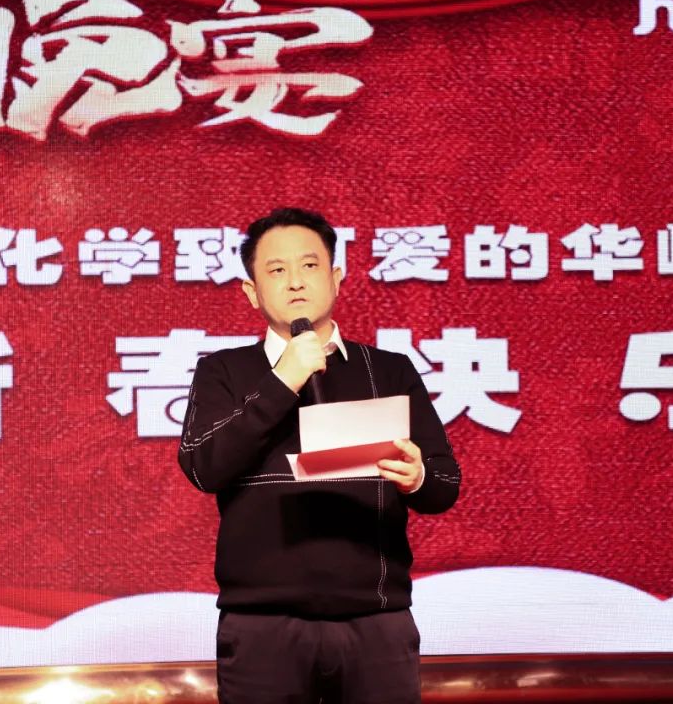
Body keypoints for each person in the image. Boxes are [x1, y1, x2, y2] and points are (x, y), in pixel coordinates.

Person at [177, 207, 461, 704]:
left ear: (336, 278)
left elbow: (444, 485)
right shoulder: (224, 371)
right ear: (251, 292)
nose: (295, 282)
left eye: (309, 266)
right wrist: (284, 379)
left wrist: (417, 477)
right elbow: (204, 466)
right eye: (276, 270)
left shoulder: (388, 370)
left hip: (376, 621)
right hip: (262, 625)